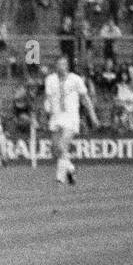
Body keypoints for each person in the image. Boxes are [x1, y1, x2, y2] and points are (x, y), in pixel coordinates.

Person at [44, 55, 100, 185]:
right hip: (56, 116)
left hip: (71, 117)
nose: (61, 66)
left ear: (67, 65)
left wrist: (93, 116)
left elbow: (85, 98)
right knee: (56, 149)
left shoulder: (76, 79)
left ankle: (60, 178)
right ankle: (70, 168)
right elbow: (48, 97)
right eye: (59, 64)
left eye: (64, 64)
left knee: (63, 145)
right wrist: (48, 108)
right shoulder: (50, 79)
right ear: (56, 66)